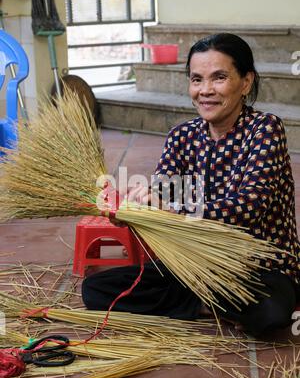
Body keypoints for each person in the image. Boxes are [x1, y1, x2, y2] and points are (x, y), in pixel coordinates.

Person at [82, 33, 299, 336]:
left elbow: (250, 206)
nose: (205, 91)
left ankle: (200, 304)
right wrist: (133, 210)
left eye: (219, 78)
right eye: (197, 80)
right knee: (96, 289)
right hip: (194, 264)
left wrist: (172, 208)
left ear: (245, 82)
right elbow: (162, 192)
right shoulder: (182, 136)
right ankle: (208, 304)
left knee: (271, 313)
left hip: (257, 266)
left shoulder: (264, 130)